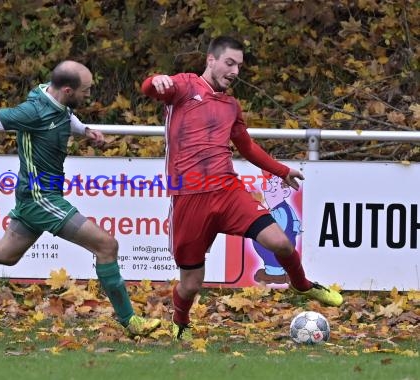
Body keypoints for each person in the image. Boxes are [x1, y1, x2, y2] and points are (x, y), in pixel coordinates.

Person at [0, 60, 161, 337]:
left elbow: (64, 116)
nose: (90, 95)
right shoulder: (32, 111)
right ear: (68, 90)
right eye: (87, 90)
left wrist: (84, 131)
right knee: (107, 245)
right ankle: (131, 321)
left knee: (5, 254)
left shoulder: (55, 98)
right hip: (41, 197)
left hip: (33, 197)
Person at [141, 36, 343, 341]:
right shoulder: (185, 86)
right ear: (211, 60)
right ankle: (180, 321)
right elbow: (149, 88)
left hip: (228, 190)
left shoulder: (230, 105)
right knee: (191, 284)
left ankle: (302, 285)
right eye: (229, 63)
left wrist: (281, 170)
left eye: (239, 66)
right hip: (189, 197)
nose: (235, 71)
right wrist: (156, 81)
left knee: (282, 243)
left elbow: (246, 146)